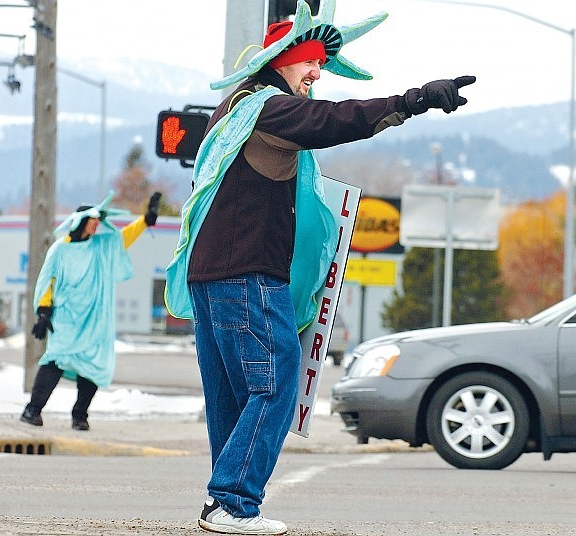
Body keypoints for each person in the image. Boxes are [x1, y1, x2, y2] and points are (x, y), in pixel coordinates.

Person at [164, 1, 475, 533]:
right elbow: (335, 121)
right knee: (276, 383)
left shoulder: (232, 110)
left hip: (209, 274)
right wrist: (414, 100)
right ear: (283, 58)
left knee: (233, 394)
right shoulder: (267, 107)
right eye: (311, 63)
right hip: (247, 273)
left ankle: (224, 504)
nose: (316, 74)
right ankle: (233, 502)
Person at [20, 191, 161, 431]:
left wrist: (146, 220)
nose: (97, 226)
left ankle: (80, 416)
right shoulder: (59, 250)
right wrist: (43, 311)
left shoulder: (101, 247)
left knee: (93, 366)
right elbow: (48, 281)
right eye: (93, 221)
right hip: (65, 318)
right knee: (56, 360)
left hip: (95, 320)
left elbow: (123, 237)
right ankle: (32, 410)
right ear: (82, 221)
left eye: (98, 222)